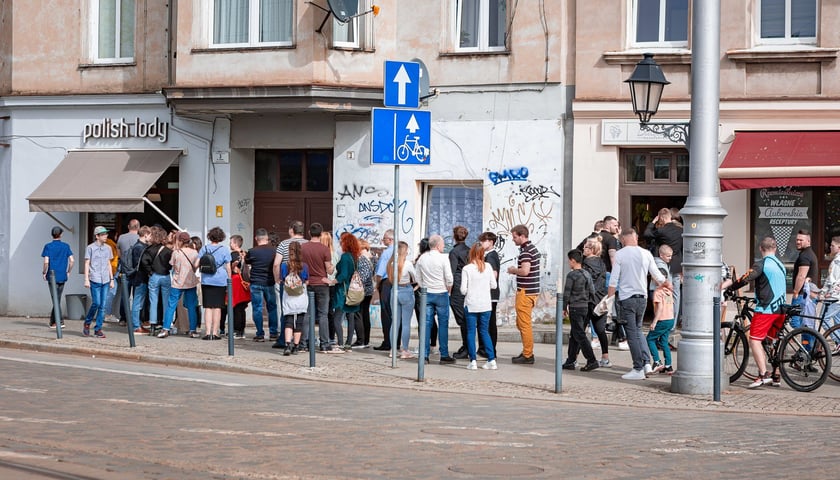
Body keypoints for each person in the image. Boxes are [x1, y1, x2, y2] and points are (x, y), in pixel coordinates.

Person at [607, 228, 670, 380]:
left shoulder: (620, 254)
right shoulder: (646, 253)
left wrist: (609, 300)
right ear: (635, 238)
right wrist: (667, 284)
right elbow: (657, 275)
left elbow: (613, 280)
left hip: (627, 298)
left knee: (631, 334)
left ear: (623, 239)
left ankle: (638, 368)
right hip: (642, 297)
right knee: (638, 330)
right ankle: (647, 363)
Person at [727, 236, 787, 388]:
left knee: (754, 340)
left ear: (761, 249)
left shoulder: (761, 264)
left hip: (766, 309)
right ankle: (776, 375)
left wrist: (730, 289)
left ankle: (763, 374)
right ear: (775, 249)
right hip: (781, 309)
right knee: (772, 341)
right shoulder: (781, 264)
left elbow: (745, 278)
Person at [415, 234, 455, 364]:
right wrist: (448, 287)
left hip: (427, 293)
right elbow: (449, 277)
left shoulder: (422, 258)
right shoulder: (443, 258)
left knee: (426, 324)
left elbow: (417, 277)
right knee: (443, 324)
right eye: (442, 244)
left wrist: (424, 286)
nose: (444, 246)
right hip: (441, 292)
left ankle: (424, 355)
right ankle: (444, 354)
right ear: (438, 245)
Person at [460, 242, 498, 370]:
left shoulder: (467, 269)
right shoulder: (488, 266)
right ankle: (491, 360)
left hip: (471, 304)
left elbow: (463, 290)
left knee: (471, 332)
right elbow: (494, 285)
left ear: (471, 253)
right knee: (484, 331)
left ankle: (473, 361)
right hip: (485, 304)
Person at [643, 208, 684, 326]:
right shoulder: (680, 230)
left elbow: (647, 234)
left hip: (664, 265)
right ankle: (673, 323)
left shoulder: (662, 231)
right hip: (677, 264)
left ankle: (665, 320)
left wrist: (653, 222)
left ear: (661, 218)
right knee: (676, 294)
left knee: (666, 292)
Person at [562, 249, 600, 372]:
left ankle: (591, 360)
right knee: (575, 334)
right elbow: (592, 291)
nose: (568, 263)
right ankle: (571, 360)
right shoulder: (587, 274)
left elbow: (567, 293)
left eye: (569, 261)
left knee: (579, 334)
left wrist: (564, 307)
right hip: (585, 308)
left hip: (575, 308)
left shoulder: (572, 275)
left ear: (573, 261)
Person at [507, 224, 541, 364]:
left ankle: (528, 354)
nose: (513, 239)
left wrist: (513, 270)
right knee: (521, 323)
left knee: (524, 324)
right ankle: (527, 351)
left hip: (525, 291)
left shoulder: (526, 251)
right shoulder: (532, 248)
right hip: (531, 291)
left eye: (515, 237)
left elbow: (525, 271)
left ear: (522, 236)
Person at [300, 223, 335, 353]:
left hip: (307, 283)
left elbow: (299, 266)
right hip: (322, 283)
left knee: (307, 314)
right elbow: (329, 270)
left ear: (309, 233)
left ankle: (304, 343)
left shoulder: (302, 247)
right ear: (321, 234)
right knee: (323, 315)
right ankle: (324, 343)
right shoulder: (324, 249)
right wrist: (333, 267)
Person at [158, 232, 199, 338]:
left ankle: (165, 329)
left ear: (180, 241)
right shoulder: (194, 253)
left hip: (177, 282)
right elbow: (196, 267)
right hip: (190, 282)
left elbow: (172, 265)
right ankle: (193, 330)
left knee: (171, 306)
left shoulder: (176, 253)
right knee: (191, 307)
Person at [198, 227, 232, 340]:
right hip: (220, 280)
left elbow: (197, 263)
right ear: (221, 237)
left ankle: (207, 333)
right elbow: (228, 267)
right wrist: (229, 279)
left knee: (208, 307)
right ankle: (215, 333)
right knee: (217, 307)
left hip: (206, 280)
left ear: (210, 236)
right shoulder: (225, 250)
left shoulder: (204, 248)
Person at [582, 238, 611, 367]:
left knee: (579, 331)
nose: (583, 249)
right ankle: (605, 358)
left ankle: (573, 358)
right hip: (600, 299)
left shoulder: (585, 264)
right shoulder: (602, 263)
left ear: (592, 250)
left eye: (586, 247)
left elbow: (584, 282)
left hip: (587, 299)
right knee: (600, 330)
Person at [246, 228, 279, 343]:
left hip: (255, 282)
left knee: (257, 308)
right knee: (272, 308)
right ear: (267, 238)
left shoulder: (252, 251)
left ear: (256, 238)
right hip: (269, 282)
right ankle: (273, 333)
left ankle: (260, 334)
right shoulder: (274, 251)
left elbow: (247, 262)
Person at [330, 233, 362, 350]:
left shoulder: (344, 257)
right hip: (352, 290)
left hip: (343, 291)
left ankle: (340, 342)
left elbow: (343, 275)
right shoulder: (354, 257)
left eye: (342, 241)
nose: (340, 243)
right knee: (350, 317)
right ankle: (348, 343)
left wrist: (333, 281)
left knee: (337, 318)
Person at [141, 226, 172, 336]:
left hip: (154, 276)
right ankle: (165, 324)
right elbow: (171, 264)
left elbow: (144, 262)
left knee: (153, 301)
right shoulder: (168, 251)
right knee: (166, 301)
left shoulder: (149, 250)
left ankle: (153, 325)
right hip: (165, 275)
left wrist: (150, 271)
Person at [83, 226, 114, 338]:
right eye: (103, 234)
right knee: (96, 303)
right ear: (97, 236)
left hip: (105, 279)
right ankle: (87, 323)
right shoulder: (90, 248)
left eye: (106, 234)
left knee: (103, 305)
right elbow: (87, 263)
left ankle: (98, 329)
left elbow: (108, 263)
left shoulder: (108, 248)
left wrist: (111, 279)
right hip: (94, 278)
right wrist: (86, 279)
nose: (106, 236)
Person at [647, 256, 676, 375]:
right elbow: (670, 305)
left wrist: (654, 322)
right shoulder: (669, 291)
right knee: (664, 342)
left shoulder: (658, 292)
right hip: (670, 319)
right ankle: (668, 365)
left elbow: (659, 308)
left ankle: (657, 361)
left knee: (650, 339)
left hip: (662, 319)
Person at [388, 241, 416, 359]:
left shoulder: (391, 263)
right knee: (405, 323)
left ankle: (392, 349)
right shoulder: (408, 264)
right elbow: (415, 278)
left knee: (395, 322)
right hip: (406, 290)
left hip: (394, 290)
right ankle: (405, 349)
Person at [42, 226, 74, 328]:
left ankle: (59, 321)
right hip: (62, 275)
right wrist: (68, 271)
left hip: (52, 275)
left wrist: (44, 272)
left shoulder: (48, 246)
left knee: (55, 299)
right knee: (57, 298)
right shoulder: (66, 246)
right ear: (61, 234)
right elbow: (72, 260)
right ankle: (53, 322)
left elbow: (46, 262)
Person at [281, 241, 309, 355]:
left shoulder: (284, 265)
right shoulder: (304, 266)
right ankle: (296, 347)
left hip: (288, 296)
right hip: (301, 295)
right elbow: (306, 280)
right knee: (299, 321)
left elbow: (282, 279)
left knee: (289, 320)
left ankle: (287, 345)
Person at [790, 229, 819, 331]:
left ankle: (803, 341)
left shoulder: (805, 256)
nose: (798, 242)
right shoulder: (809, 254)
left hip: (803, 295)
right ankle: (809, 341)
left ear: (808, 241)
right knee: (807, 323)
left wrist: (796, 292)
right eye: (797, 239)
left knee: (795, 321)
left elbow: (801, 276)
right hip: (808, 295)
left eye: (801, 240)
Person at [449, 226, 470, 359]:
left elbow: (451, 272)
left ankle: (466, 347)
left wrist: (448, 288)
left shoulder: (454, 252)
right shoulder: (469, 250)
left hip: (457, 285)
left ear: (454, 236)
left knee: (462, 318)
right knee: (466, 316)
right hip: (468, 284)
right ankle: (467, 345)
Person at [220, 234, 247, 337]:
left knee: (235, 307)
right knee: (241, 307)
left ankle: (236, 330)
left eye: (231, 242)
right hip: (244, 282)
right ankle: (241, 330)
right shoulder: (244, 253)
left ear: (235, 244)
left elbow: (231, 268)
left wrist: (232, 266)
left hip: (235, 281)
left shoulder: (234, 254)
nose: (229, 244)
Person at [478, 232, 500, 357]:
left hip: (490, 294)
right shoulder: (488, 255)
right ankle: (487, 349)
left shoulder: (491, 256)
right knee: (487, 323)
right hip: (489, 294)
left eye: (483, 241)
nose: (481, 243)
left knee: (489, 323)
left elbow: (494, 275)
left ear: (491, 242)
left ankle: (489, 350)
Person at [413, 238, 437, 353]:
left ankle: (423, 345)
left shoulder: (421, 259)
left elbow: (417, 277)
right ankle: (432, 345)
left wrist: (416, 286)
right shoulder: (436, 259)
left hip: (421, 292)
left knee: (422, 320)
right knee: (431, 319)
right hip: (434, 290)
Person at [373, 229, 395, 351]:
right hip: (397, 282)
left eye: (385, 238)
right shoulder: (399, 251)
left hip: (386, 283)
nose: (383, 240)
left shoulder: (386, 253)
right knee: (395, 313)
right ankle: (395, 341)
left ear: (390, 240)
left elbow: (380, 273)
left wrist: (377, 285)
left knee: (386, 313)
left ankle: (387, 342)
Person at [127, 226, 151, 334]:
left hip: (140, 278)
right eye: (150, 235)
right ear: (145, 234)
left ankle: (138, 324)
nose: (150, 238)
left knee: (139, 302)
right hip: (140, 278)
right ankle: (136, 326)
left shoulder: (140, 246)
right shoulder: (140, 248)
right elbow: (141, 264)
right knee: (137, 302)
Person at [116, 219, 140, 326]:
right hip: (136, 271)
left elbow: (119, 254)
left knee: (124, 295)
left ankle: (123, 318)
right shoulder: (140, 238)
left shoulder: (121, 237)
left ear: (128, 227)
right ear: (138, 227)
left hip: (125, 270)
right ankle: (136, 320)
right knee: (137, 295)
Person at [352, 239, 375, 348]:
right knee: (365, 315)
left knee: (358, 314)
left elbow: (362, 277)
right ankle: (365, 340)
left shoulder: (362, 259)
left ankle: (361, 340)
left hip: (362, 291)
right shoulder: (370, 259)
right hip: (368, 291)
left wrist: (354, 283)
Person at [819, 236, 840, 348]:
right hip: (836, 297)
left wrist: (826, 294)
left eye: (833, 246)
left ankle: (839, 341)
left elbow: (832, 281)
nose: (830, 247)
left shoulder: (837, 261)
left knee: (824, 319)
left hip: (834, 297)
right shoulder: (835, 260)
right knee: (838, 322)